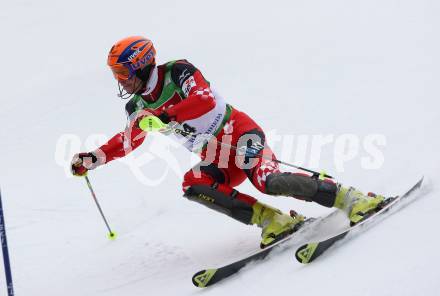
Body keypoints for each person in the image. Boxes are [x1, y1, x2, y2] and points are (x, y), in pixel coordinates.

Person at [71, 36, 384, 248]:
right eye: (116, 73)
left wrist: (168, 115)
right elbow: (127, 140)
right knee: (193, 183)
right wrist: (92, 158)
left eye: (122, 72)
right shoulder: (136, 108)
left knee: (267, 181)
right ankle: (272, 220)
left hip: (238, 134)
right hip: (216, 155)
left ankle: (351, 198)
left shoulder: (177, 71)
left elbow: (203, 99)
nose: (119, 80)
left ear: (141, 65)